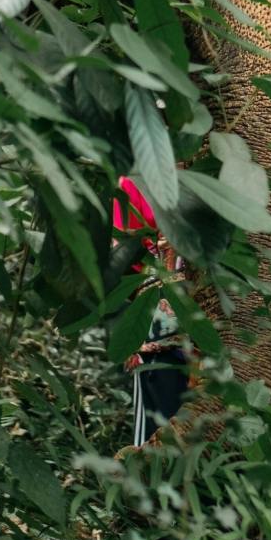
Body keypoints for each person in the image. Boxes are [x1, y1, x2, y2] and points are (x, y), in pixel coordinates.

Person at [115, 177, 187, 446]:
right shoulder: (136, 182)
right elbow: (123, 267)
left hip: (222, 332)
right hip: (162, 338)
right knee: (160, 446)